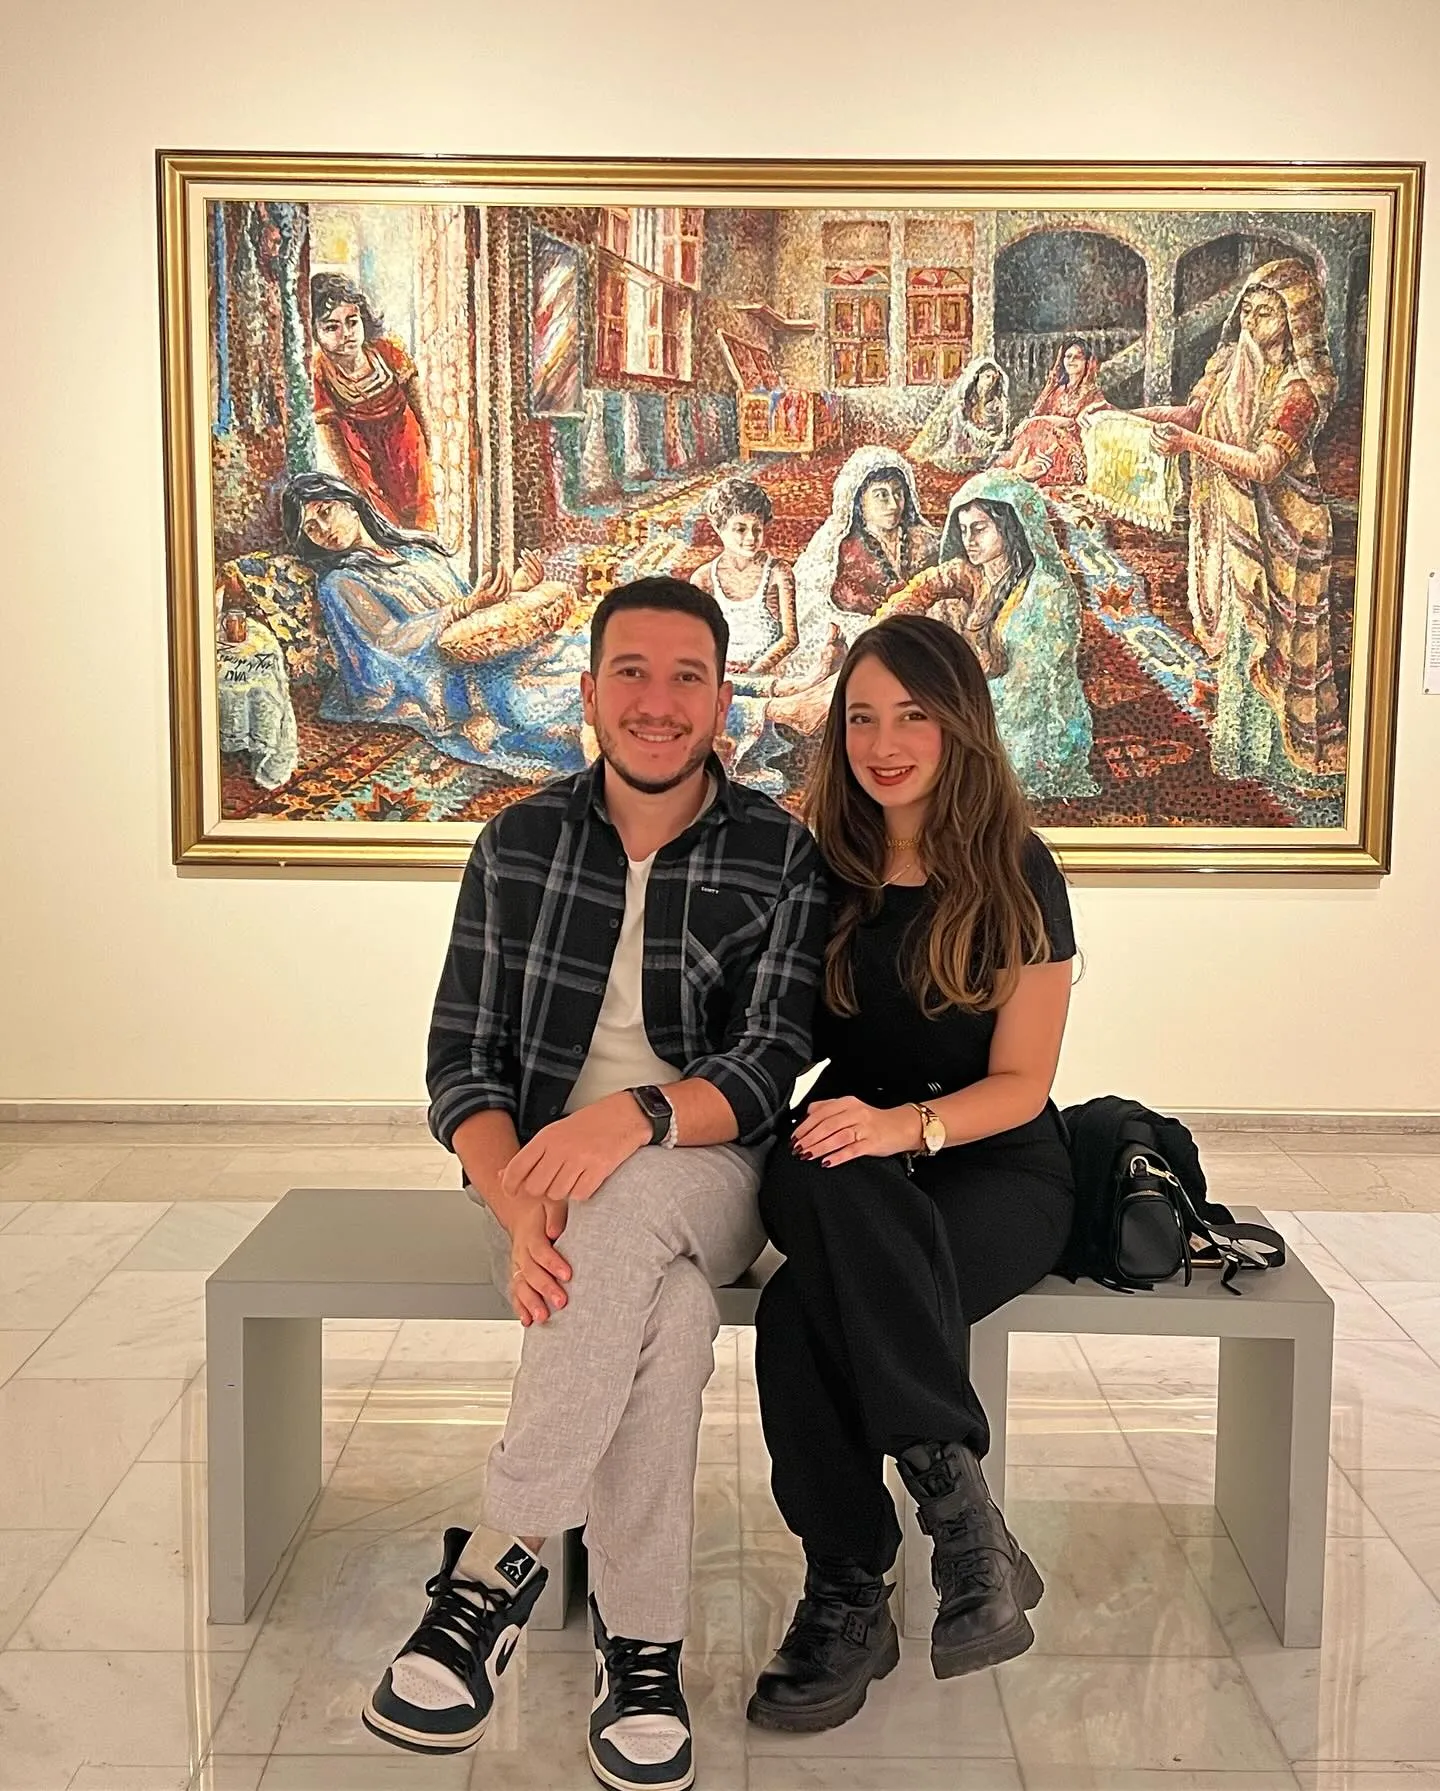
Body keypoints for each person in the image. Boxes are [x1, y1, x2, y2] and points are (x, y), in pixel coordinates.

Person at [363, 576, 829, 1790]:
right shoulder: (518, 843)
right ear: (588, 691)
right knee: (666, 1320)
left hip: (710, 1169)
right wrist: (518, 1206)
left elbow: (768, 1063)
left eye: (686, 678)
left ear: (722, 702)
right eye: (632, 672)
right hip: (540, 1186)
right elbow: (461, 1061)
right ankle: (644, 1655)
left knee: (625, 1214)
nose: (657, 702)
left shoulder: (778, 851)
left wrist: (638, 1116)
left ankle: (498, 1563)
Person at [745, 614, 1077, 1734]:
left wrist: (905, 1128)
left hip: (994, 1163)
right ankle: (965, 1524)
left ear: (960, 725)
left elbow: (1023, 1082)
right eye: (861, 718)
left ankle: (848, 1589)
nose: (883, 744)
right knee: (820, 1163)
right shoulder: (819, 864)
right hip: (851, 1149)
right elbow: (776, 1036)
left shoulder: (1019, 870)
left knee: (798, 1312)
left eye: (913, 716)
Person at [1141, 258, 1345, 792]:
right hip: (1233, 522)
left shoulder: (1301, 388)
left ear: (1296, 319)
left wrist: (1190, 445)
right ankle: (1242, 750)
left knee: (1280, 642)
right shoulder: (1231, 362)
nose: (1252, 321)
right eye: (1248, 310)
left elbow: (1264, 465)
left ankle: (1284, 756)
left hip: (1288, 531)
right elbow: (1191, 416)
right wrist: (1129, 419)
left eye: (1266, 312)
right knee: (1241, 635)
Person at [282, 471, 576, 765]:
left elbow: (467, 610)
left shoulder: (416, 550)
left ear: (349, 503)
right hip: (422, 672)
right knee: (521, 701)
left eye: (326, 511)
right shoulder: (340, 582)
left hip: (470, 650)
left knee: (572, 655)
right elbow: (387, 641)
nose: (324, 530)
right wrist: (464, 607)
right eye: (311, 528)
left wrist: (515, 589)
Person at [882, 469, 1099, 801]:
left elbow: (1027, 687)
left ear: (1009, 527)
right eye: (963, 529)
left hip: (1023, 727)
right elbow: (921, 589)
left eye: (979, 528)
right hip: (975, 692)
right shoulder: (973, 572)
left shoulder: (1047, 592)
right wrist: (895, 625)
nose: (969, 540)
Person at [769, 446, 940, 733]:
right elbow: (814, 607)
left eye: (898, 493)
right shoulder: (839, 549)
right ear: (859, 501)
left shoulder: (926, 541)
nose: (893, 504)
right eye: (881, 495)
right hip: (860, 639)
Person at [311, 272, 439, 533]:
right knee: (381, 519)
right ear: (315, 332)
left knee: (419, 513)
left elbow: (418, 401)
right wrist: (353, 482)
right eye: (332, 327)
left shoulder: (386, 348)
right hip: (362, 452)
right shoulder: (320, 371)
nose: (346, 334)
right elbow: (329, 431)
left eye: (352, 322)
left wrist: (427, 444)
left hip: (405, 443)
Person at [690, 476, 799, 681]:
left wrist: (754, 671)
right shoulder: (703, 578)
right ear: (718, 528)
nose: (751, 538)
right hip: (719, 673)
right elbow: (696, 638)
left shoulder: (778, 572)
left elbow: (790, 637)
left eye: (757, 529)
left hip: (765, 674)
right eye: (740, 529)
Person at [997, 338, 1110, 488]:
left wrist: (1038, 421)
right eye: (1068, 356)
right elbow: (1039, 414)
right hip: (1049, 442)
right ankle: (1012, 470)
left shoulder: (1093, 394)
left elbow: (1075, 422)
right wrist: (1032, 422)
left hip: (1073, 447)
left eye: (1078, 357)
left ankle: (1017, 471)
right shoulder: (1058, 390)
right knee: (1035, 430)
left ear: (1087, 362)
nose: (1071, 360)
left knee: (1038, 425)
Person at [907, 355, 1012, 475]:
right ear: (978, 377)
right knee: (954, 415)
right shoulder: (968, 397)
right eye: (987, 377)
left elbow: (997, 432)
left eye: (994, 378)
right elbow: (961, 422)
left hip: (984, 444)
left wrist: (990, 440)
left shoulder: (996, 404)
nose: (990, 381)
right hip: (964, 439)